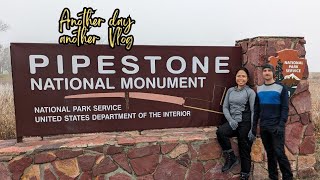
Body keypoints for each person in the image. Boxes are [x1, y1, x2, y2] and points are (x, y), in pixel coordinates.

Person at [254, 64, 293, 180]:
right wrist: (254, 126)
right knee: (270, 154)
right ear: (262, 73)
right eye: (264, 70)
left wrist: (281, 125)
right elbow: (257, 109)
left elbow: (285, 108)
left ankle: (288, 177)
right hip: (264, 127)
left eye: (269, 70)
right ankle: (273, 177)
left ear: (273, 73)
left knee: (280, 154)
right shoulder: (259, 89)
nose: (266, 72)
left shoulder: (281, 88)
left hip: (276, 126)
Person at [216, 67, 256, 180]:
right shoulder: (230, 91)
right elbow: (225, 107)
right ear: (235, 78)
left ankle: (245, 174)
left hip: (245, 122)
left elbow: (254, 111)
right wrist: (230, 120)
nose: (241, 78)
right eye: (239, 76)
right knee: (221, 132)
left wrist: (252, 129)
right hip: (233, 121)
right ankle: (231, 157)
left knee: (244, 148)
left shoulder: (250, 92)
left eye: (243, 76)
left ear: (247, 79)